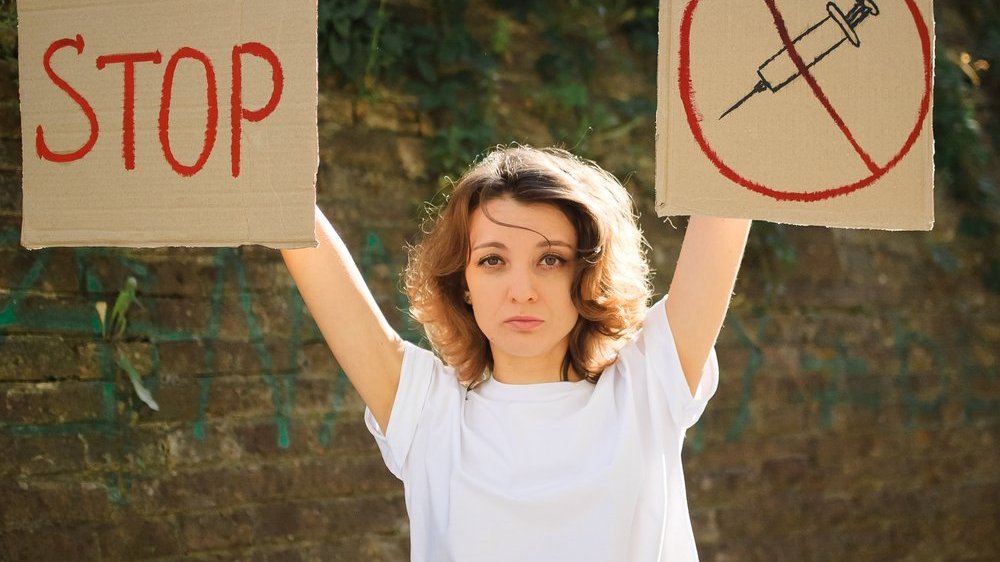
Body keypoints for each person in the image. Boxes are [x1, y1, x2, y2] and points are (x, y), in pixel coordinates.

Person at [281, 146, 750, 561]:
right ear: (464, 283)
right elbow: (291, 215)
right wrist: (273, 167)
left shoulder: (649, 382)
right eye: (492, 261)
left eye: (550, 260)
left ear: (585, 273)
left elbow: (735, 179)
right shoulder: (427, 412)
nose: (521, 291)